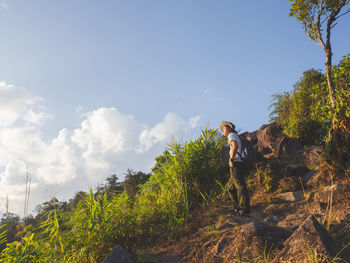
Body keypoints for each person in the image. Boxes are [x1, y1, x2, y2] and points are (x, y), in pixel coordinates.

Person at [220, 121, 250, 216]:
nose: (223, 131)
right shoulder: (233, 135)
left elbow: (234, 146)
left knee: (240, 186)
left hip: (235, 163)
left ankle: (244, 210)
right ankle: (237, 208)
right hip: (236, 163)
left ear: (229, 128)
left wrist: (231, 160)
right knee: (230, 187)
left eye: (223, 129)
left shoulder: (231, 135)